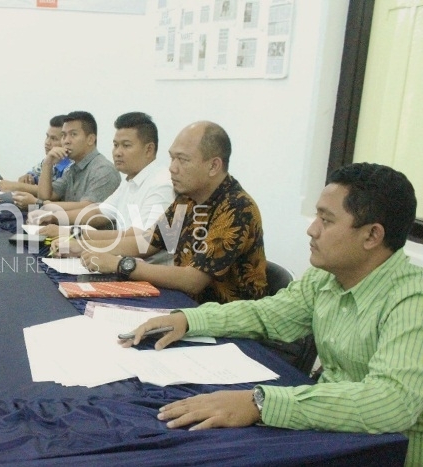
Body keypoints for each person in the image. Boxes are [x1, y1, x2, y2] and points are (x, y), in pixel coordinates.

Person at [123, 163, 423, 466]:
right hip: (331, 429)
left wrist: (261, 403)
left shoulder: (412, 300)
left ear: (372, 236)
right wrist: (190, 320)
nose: (312, 229)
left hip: (387, 450)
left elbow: (392, 402)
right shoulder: (328, 276)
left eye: (326, 220)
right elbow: (269, 314)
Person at [66, 121, 266, 304]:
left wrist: (120, 264)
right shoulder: (187, 199)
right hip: (184, 304)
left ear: (213, 166)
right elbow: (148, 242)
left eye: (183, 160)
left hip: (222, 319)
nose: (172, 168)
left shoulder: (237, 208)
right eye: (172, 158)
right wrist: (83, 245)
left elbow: (193, 280)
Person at [36, 112, 174, 236]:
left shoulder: (161, 185)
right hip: (117, 253)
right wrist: (54, 218)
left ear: (149, 149)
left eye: (126, 145)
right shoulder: (129, 182)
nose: (117, 152)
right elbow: (98, 212)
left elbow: (138, 240)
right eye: (115, 145)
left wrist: (71, 234)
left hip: (131, 256)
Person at [27, 110, 120, 217]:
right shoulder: (73, 168)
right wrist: (48, 163)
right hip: (65, 226)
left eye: (73, 134)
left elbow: (87, 207)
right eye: (64, 135)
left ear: (90, 139)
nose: (66, 141)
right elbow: (45, 196)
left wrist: (41, 204)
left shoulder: (103, 170)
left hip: (88, 227)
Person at [0, 115, 71, 204]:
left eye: (53, 139)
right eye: (47, 136)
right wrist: (28, 177)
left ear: (65, 141)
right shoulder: (49, 160)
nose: (47, 142)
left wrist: (17, 186)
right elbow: (34, 174)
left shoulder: (71, 165)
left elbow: (50, 192)